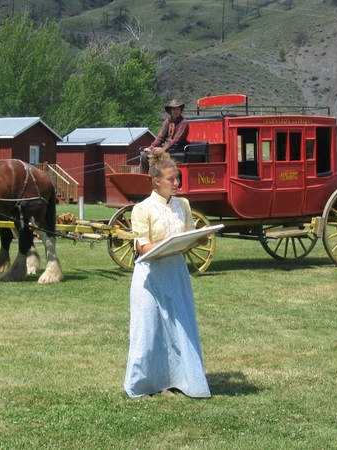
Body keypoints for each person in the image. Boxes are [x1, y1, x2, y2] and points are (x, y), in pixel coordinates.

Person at [124, 148, 211, 399]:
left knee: (179, 326)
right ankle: (144, 385)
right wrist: (170, 241)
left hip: (176, 271)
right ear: (156, 181)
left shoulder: (183, 204)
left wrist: (199, 238)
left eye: (178, 177)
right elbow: (142, 246)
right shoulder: (142, 209)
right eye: (172, 179)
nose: (177, 183)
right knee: (149, 328)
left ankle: (180, 380)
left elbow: (190, 234)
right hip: (150, 273)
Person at [140, 99, 189, 173]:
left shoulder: (183, 123)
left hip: (177, 149)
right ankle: (145, 179)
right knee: (144, 156)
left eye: (178, 109)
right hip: (168, 149)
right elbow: (160, 137)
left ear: (180, 110)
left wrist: (163, 149)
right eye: (174, 109)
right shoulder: (167, 122)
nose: (176, 111)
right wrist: (151, 148)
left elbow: (176, 141)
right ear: (170, 111)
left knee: (155, 157)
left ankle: (155, 178)